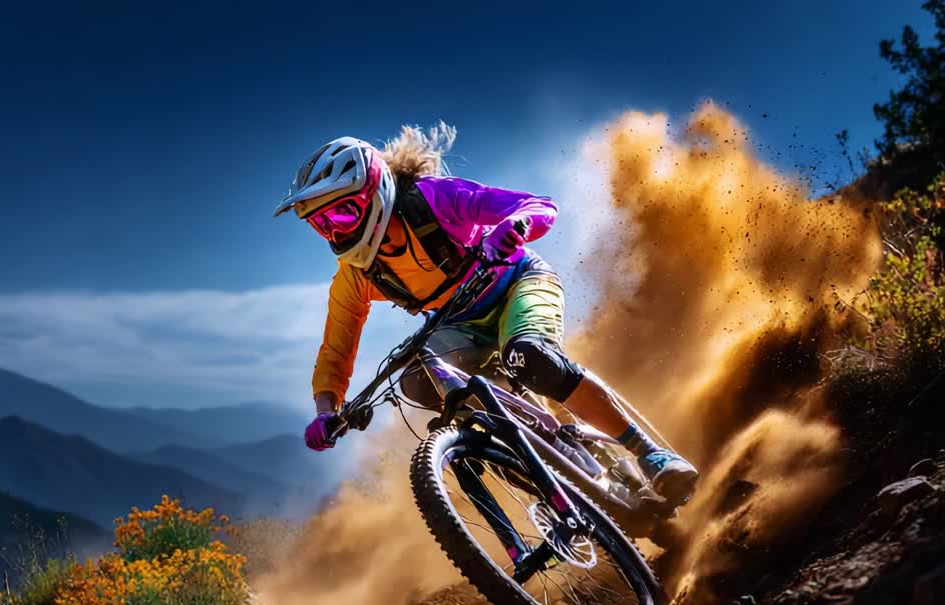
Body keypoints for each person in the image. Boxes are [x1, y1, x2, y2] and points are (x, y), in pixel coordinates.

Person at [273, 125, 699, 504]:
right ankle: (554, 475)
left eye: (341, 213)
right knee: (421, 384)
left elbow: (538, 206)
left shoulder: (434, 201)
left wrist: (512, 230)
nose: (334, 231)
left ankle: (650, 454)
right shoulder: (356, 275)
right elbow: (336, 350)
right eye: (320, 224)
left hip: (519, 284)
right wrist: (326, 411)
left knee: (527, 354)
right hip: (460, 324)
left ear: (374, 190)